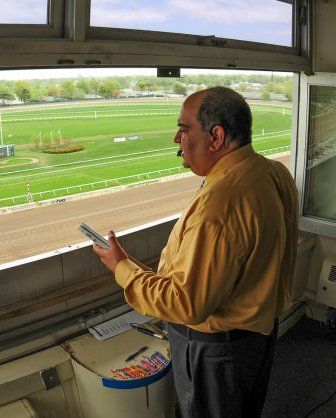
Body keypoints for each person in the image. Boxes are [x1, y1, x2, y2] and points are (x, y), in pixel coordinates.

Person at [93, 86, 298, 418]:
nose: (177, 138)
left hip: (217, 350)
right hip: (256, 336)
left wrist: (122, 268)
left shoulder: (220, 205)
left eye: (184, 128)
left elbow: (186, 304)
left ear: (216, 137)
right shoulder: (274, 172)